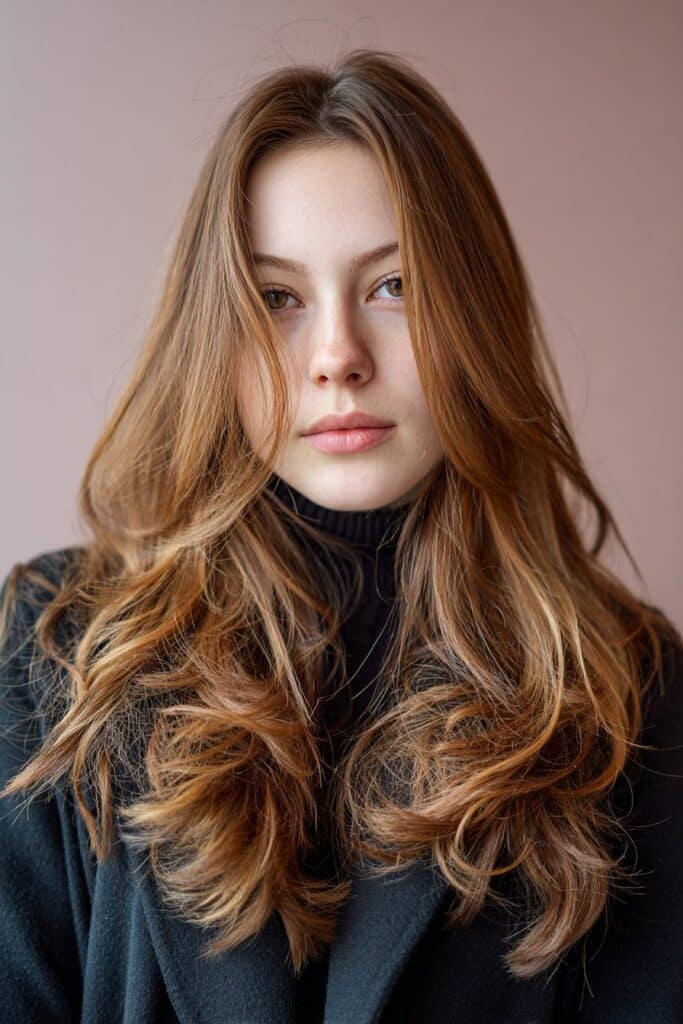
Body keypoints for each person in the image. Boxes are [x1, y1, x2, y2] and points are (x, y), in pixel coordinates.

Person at [0, 47, 681, 1024]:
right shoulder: (56, 651)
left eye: (392, 286)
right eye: (276, 298)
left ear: (474, 313)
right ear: (215, 335)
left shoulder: (626, 686)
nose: (336, 360)